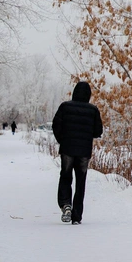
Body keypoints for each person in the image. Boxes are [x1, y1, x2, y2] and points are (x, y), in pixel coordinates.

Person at [52, 81, 103, 225]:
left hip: (67, 149)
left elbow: (56, 125)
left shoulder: (65, 106)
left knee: (65, 176)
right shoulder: (93, 110)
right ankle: (76, 216)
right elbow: (98, 131)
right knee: (81, 181)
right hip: (84, 152)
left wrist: (62, 139)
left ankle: (65, 204)